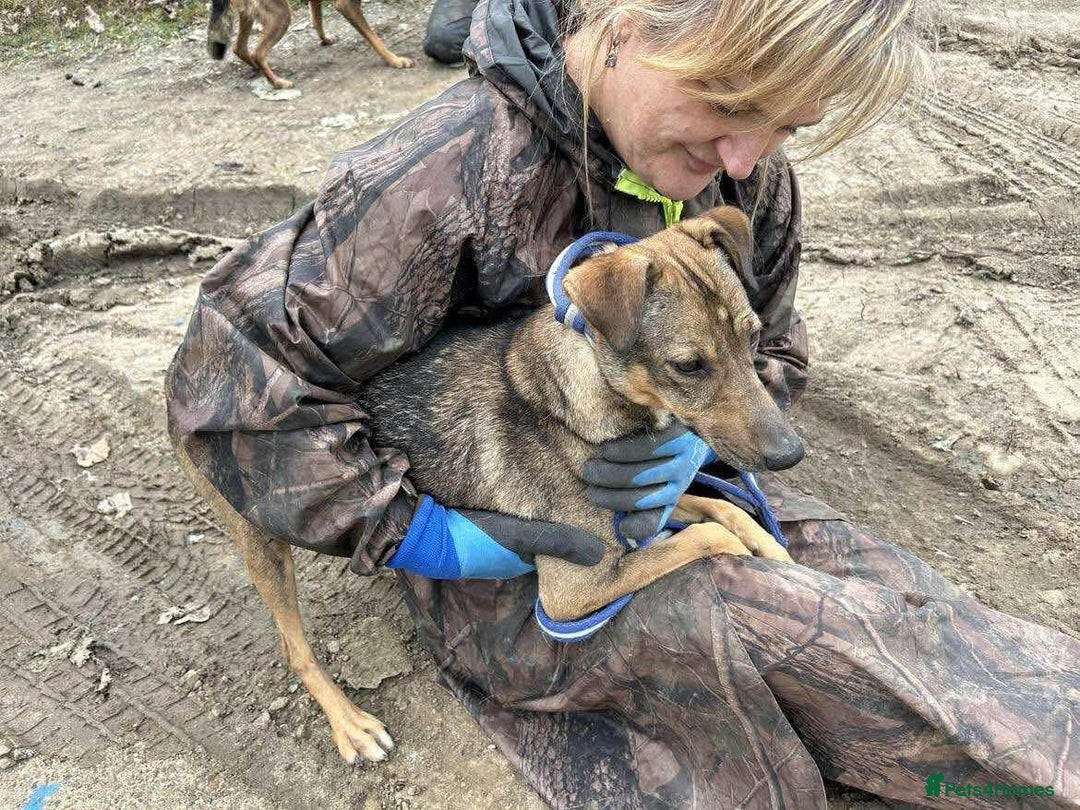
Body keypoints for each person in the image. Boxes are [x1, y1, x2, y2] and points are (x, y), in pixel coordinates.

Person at [166, 0, 1080, 806]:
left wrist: (699, 446)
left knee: (865, 572)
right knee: (765, 624)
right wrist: (417, 533)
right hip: (487, 519)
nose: (746, 157)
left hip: (631, 463)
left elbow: (776, 342)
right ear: (629, 26)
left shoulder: (742, 180)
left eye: (786, 125)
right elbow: (228, 397)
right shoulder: (437, 180)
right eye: (729, 103)